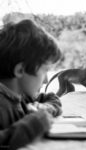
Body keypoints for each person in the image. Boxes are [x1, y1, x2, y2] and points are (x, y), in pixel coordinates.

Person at [0, 19, 62, 150]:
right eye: (45, 71)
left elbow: (51, 98)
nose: (45, 80)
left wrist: (46, 108)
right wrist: (33, 124)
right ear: (20, 70)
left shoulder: (21, 95)